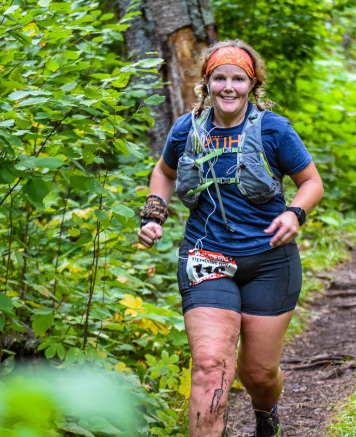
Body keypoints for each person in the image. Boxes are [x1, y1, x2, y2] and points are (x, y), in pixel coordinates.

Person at [137, 39, 323, 437]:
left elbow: (310, 182)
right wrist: (155, 212)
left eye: (238, 78)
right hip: (207, 257)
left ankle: (266, 414)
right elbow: (164, 173)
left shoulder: (274, 130)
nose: (228, 87)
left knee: (257, 373)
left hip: (269, 260)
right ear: (206, 83)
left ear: (252, 84)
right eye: (219, 77)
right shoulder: (188, 128)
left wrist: (295, 212)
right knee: (209, 367)